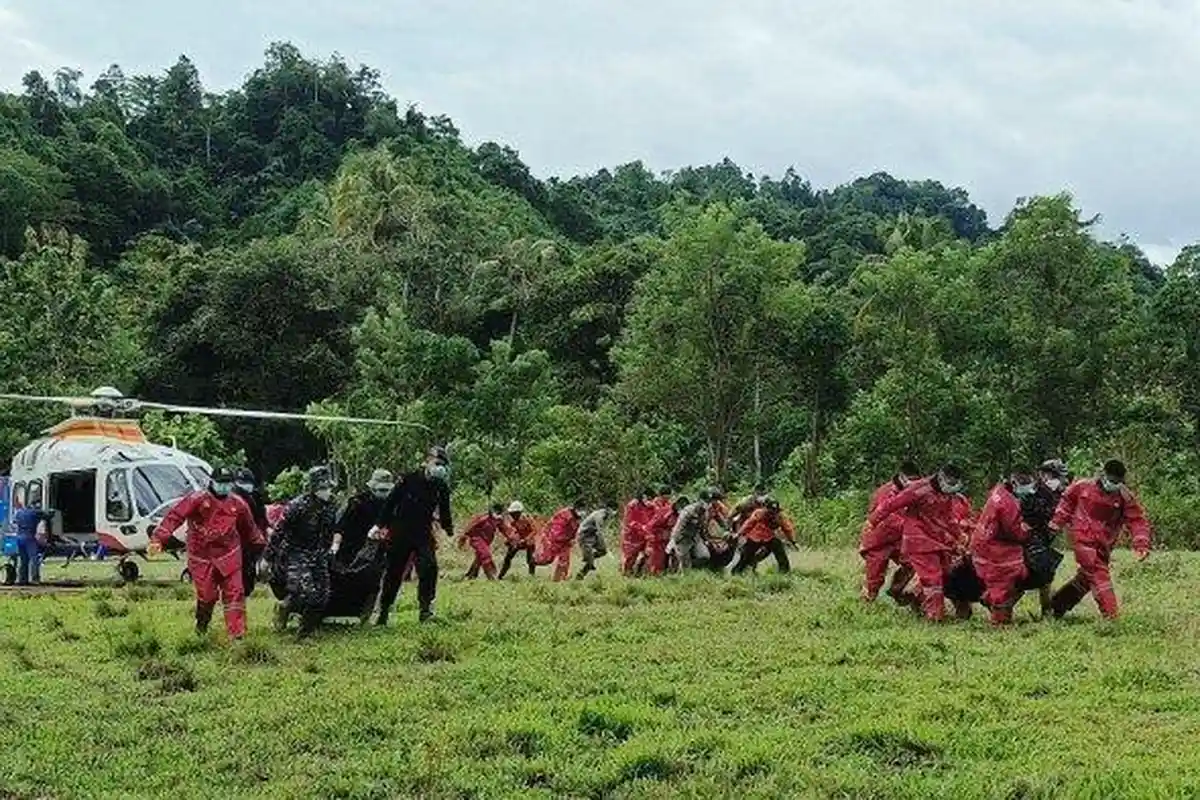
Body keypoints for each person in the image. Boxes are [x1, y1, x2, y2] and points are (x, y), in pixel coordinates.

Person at [150, 467, 264, 639]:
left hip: (229, 554)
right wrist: (159, 538)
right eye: (220, 483)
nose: (224, 487)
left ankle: (237, 634)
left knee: (235, 593)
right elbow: (175, 516)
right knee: (208, 596)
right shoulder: (197, 499)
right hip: (201, 557)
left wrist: (262, 547)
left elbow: (249, 528)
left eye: (227, 483)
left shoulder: (238, 503)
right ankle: (202, 623)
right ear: (211, 481)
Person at [1048, 459, 1151, 620]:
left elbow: (1137, 520)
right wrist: (1057, 522)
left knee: (1085, 579)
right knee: (1099, 576)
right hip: (1082, 539)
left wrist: (1141, 543)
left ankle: (1056, 605)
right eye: (1112, 481)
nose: (1114, 484)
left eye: (1118, 482)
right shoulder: (1082, 486)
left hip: (1104, 544)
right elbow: (1066, 502)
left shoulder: (1124, 496)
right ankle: (1111, 617)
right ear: (1103, 475)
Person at [868, 463, 967, 621]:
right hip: (919, 540)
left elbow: (948, 518)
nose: (951, 487)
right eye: (950, 483)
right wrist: (873, 521)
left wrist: (958, 536)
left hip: (937, 539)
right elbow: (892, 504)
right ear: (941, 478)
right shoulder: (919, 488)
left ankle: (913, 596)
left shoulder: (947, 495)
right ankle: (935, 616)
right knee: (932, 579)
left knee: (944, 573)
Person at [371, 447, 454, 625]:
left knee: (429, 567)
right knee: (394, 572)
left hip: (423, 532)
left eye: (443, 465)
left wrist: (449, 529)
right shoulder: (408, 479)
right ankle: (384, 612)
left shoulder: (441, 485)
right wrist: (380, 525)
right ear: (427, 461)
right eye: (437, 463)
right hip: (401, 530)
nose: (440, 468)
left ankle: (425, 610)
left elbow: (445, 509)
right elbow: (390, 502)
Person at [268, 466, 340, 637]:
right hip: (296, 552)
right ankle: (284, 608)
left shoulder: (330, 505)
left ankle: (304, 632)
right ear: (313, 488)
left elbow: (330, 529)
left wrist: (330, 548)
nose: (326, 491)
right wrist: (268, 557)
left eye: (328, 487)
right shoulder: (297, 506)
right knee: (303, 592)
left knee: (322, 595)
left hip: (318, 552)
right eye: (322, 488)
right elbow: (279, 531)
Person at [971, 469, 1036, 625]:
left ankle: (990, 600)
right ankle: (1000, 622)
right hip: (996, 550)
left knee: (1020, 575)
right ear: (1014, 483)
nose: (1028, 489)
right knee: (1003, 585)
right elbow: (1013, 532)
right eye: (1025, 485)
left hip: (983, 544)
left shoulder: (999, 491)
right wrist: (1026, 531)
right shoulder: (1009, 503)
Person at [858, 461, 921, 604]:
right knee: (873, 579)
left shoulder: (913, 491)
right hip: (878, 540)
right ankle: (865, 606)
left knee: (916, 564)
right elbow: (887, 517)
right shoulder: (886, 492)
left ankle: (898, 591)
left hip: (899, 539)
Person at [1017, 459, 1070, 613]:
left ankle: (1047, 610)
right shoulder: (1030, 492)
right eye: (1047, 474)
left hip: (1047, 539)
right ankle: (1001, 608)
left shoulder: (1061, 493)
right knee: (1024, 577)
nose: (1050, 478)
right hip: (1029, 539)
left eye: (1055, 475)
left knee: (1046, 575)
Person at [332, 469, 394, 568]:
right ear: (372, 487)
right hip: (353, 551)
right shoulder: (358, 503)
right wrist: (335, 545)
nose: (384, 493)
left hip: (380, 552)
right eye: (381, 490)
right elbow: (340, 527)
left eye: (387, 490)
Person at [731, 498, 795, 574]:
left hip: (769, 537)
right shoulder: (759, 513)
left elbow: (787, 528)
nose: (772, 514)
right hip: (755, 536)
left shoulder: (780, 516)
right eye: (770, 511)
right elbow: (749, 524)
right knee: (746, 556)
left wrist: (792, 541)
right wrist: (739, 534)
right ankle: (737, 572)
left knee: (779, 549)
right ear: (766, 508)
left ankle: (784, 571)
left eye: (774, 512)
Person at [232, 467, 268, 597]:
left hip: (250, 540)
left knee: (248, 572)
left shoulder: (255, 498)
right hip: (232, 541)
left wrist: (262, 539)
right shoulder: (228, 497)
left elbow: (262, 520)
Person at [668, 495, 721, 572]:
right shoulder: (688, 511)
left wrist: (707, 540)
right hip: (683, 538)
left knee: (704, 556)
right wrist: (676, 540)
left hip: (695, 537)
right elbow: (679, 527)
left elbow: (702, 528)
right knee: (685, 565)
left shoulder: (705, 513)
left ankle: (691, 566)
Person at [535, 503, 582, 581]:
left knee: (564, 562)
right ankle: (533, 561)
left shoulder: (577, 517)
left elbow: (575, 529)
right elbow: (555, 529)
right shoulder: (564, 514)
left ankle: (559, 580)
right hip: (553, 539)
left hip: (565, 541)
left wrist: (572, 539)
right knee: (547, 559)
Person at [12, 500, 53, 586]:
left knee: (23, 560)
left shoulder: (19, 513)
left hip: (19, 538)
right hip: (29, 538)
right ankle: (35, 579)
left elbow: (14, 522)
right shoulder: (35, 513)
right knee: (34, 559)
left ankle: (22, 580)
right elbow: (48, 516)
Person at [460, 503, 505, 580]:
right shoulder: (484, 518)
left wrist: (511, 538)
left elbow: (504, 529)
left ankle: (471, 575)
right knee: (485, 555)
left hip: (487, 541)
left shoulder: (499, 520)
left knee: (479, 558)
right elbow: (471, 526)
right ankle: (491, 576)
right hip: (476, 539)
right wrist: (463, 537)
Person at [620, 490, 656, 576]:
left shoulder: (651, 507)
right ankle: (627, 574)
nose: (649, 502)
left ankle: (639, 571)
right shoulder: (632, 506)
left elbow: (653, 519)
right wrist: (642, 527)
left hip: (644, 534)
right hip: (632, 536)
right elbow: (630, 522)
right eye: (648, 499)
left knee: (649, 553)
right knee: (630, 558)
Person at [498, 501, 537, 578]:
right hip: (519, 541)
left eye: (513, 513)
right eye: (511, 514)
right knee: (508, 557)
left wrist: (525, 539)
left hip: (529, 541)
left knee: (530, 560)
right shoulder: (514, 521)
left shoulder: (527, 518)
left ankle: (532, 576)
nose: (512, 515)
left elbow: (534, 530)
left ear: (518, 512)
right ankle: (500, 576)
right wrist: (510, 540)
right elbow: (515, 532)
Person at [576, 504, 612, 579]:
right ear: (607, 509)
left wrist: (605, 547)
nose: (614, 512)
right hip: (584, 536)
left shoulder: (606, 515)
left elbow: (601, 531)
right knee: (590, 563)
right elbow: (600, 532)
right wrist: (606, 544)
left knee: (603, 551)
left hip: (592, 534)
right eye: (612, 510)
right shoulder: (599, 515)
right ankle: (579, 577)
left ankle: (589, 558)